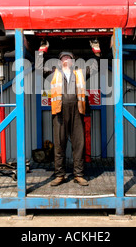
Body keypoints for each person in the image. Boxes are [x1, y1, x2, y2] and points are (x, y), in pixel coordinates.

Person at [50, 51, 89, 187]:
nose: (65, 60)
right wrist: (41, 52)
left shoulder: (80, 73)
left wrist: (97, 52)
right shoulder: (53, 72)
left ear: (73, 61)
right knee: (59, 144)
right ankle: (59, 175)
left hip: (77, 111)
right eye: (63, 58)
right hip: (59, 111)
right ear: (60, 62)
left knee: (79, 144)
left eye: (68, 58)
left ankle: (79, 175)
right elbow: (38, 70)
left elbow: (95, 68)